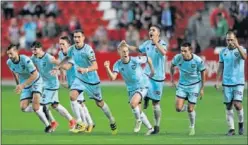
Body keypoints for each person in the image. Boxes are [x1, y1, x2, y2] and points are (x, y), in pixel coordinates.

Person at [52, 30, 117, 134]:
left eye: (78, 37)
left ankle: (111, 119)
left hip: (91, 80)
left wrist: (85, 69)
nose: (76, 39)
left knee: (100, 103)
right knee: (73, 96)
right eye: (75, 37)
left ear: (83, 38)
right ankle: (80, 122)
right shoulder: (72, 49)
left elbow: (96, 66)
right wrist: (58, 67)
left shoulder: (88, 50)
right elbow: (67, 60)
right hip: (80, 79)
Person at [104, 41, 155, 135]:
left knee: (133, 103)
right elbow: (112, 78)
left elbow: (148, 59)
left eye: (127, 51)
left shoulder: (135, 59)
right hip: (131, 89)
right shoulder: (118, 64)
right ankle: (150, 128)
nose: (126, 53)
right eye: (123, 51)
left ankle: (138, 120)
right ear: (119, 52)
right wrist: (107, 68)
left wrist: (152, 71)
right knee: (137, 109)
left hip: (142, 85)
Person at [126, 25, 167, 134]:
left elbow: (163, 52)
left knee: (156, 103)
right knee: (137, 98)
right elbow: (138, 49)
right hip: (146, 75)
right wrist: (128, 46)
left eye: (153, 30)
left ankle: (157, 125)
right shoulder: (147, 44)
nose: (151, 31)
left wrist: (156, 42)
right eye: (150, 30)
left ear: (158, 33)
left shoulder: (162, 44)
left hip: (158, 78)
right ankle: (141, 114)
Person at [6, 44, 52, 133]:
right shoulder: (9, 62)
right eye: (8, 54)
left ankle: (48, 126)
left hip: (36, 81)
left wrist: (22, 85)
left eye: (11, 53)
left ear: (16, 52)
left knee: (35, 108)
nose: (9, 56)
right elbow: (15, 73)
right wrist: (18, 85)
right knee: (23, 108)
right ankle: (43, 107)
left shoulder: (25, 60)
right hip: (25, 84)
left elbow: (34, 74)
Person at [30, 41, 76, 131]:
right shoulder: (34, 58)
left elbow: (60, 65)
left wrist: (62, 78)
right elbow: (28, 64)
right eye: (32, 50)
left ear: (40, 49)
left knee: (41, 106)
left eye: (35, 49)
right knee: (55, 105)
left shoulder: (49, 57)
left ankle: (53, 123)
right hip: (45, 83)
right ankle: (72, 120)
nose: (33, 51)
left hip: (52, 85)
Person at [58, 36, 95, 132]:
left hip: (79, 79)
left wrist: (56, 64)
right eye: (60, 44)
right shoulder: (60, 54)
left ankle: (83, 123)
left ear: (69, 45)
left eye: (63, 44)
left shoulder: (73, 53)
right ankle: (89, 123)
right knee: (80, 103)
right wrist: (63, 79)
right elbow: (62, 69)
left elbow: (65, 66)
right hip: (71, 80)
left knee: (77, 101)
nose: (61, 46)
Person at [170, 42, 206, 136]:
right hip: (182, 85)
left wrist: (202, 88)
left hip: (194, 86)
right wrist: (172, 79)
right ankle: (190, 106)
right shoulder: (178, 58)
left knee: (190, 110)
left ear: (190, 51)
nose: (182, 53)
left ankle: (192, 126)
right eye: (181, 50)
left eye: (185, 51)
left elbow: (203, 72)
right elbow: (172, 66)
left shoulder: (197, 60)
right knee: (178, 108)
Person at [215, 31, 246, 136]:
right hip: (226, 83)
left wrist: (237, 46)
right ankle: (231, 129)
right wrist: (217, 81)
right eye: (228, 39)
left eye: (231, 39)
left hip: (238, 82)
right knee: (228, 106)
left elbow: (244, 57)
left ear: (235, 39)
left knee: (237, 104)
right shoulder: (223, 52)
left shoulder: (241, 49)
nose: (229, 41)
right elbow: (220, 67)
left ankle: (241, 124)